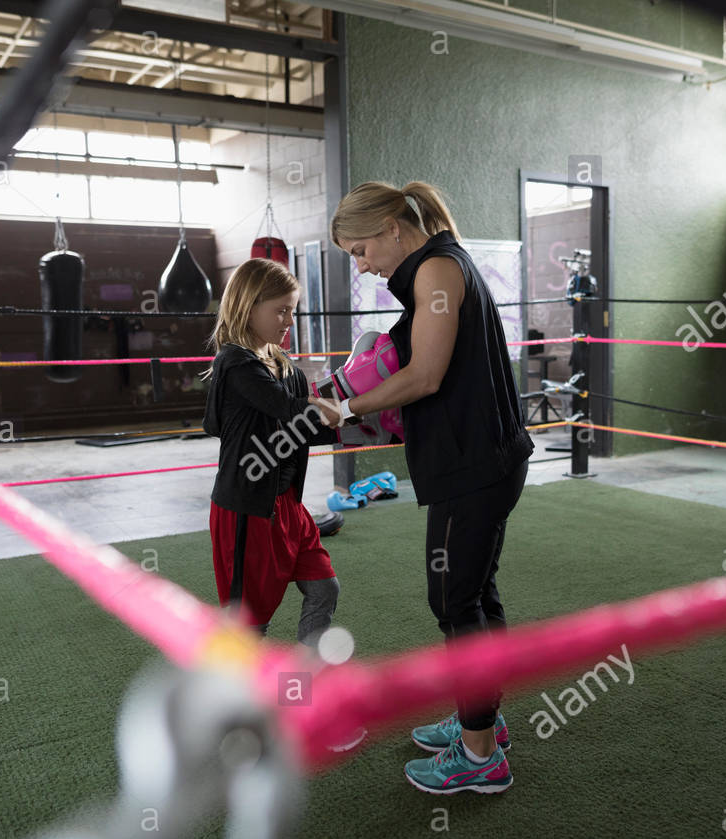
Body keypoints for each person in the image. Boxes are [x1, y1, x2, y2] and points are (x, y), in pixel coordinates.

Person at [315, 181, 533, 793]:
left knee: (454, 601)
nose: (361, 265)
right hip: (478, 458)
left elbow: (426, 375)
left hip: (475, 465)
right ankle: (481, 722)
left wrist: (345, 406)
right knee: (475, 594)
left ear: (391, 227)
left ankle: (481, 757)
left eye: (360, 250)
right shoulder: (435, 266)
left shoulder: (437, 269)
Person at [204, 259, 361, 753]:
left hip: (289, 507)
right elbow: (292, 412)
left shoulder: (284, 367)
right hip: (247, 510)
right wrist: (348, 405)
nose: (288, 323)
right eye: (281, 312)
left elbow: (309, 420)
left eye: (293, 313)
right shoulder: (235, 363)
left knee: (324, 591)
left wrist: (353, 398)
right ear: (249, 306)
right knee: (250, 623)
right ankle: (231, 721)